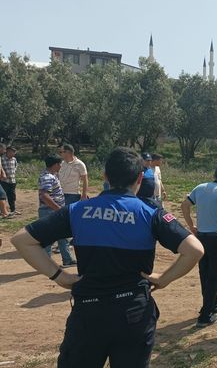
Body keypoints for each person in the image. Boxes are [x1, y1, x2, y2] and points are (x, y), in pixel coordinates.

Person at [10, 147, 204, 368]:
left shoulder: (77, 211)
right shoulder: (150, 213)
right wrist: (164, 279)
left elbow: (22, 240)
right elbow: (194, 250)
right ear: (140, 178)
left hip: (89, 313)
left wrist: (60, 276)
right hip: (133, 313)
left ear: (105, 176)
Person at [181, 163, 217, 328]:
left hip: (201, 237)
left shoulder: (200, 187)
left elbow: (185, 205)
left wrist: (191, 225)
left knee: (205, 272)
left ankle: (213, 303)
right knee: (216, 275)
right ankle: (205, 314)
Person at [39, 154, 76, 267]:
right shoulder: (47, 177)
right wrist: (58, 210)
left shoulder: (51, 175)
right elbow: (44, 196)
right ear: (55, 165)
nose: (61, 166)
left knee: (62, 235)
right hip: (50, 211)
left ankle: (67, 260)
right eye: (59, 164)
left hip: (51, 210)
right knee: (49, 238)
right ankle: (46, 264)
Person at [0, 145, 19, 215]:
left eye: (14, 152)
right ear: (8, 152)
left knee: (12, 196)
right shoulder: (2, 158)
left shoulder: (14, 159)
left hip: (12, 181)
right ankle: (2, 211)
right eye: (13, 152)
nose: (14, 153)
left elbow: (16, 166)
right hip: (4, 181)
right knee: (2, 196)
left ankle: (13, 210)